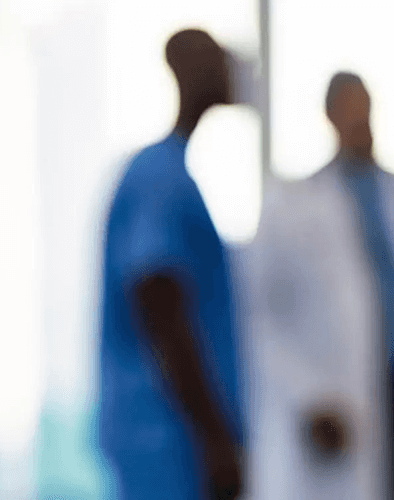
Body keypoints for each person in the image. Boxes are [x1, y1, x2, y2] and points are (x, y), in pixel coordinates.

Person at [245, 72, 394, 500]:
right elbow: (262, 315)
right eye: (348, 110)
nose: (359, 121)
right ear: (329, 116)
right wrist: (309, 397)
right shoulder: (293, 205)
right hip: (337, 392)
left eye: (364, 109)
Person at [98, 28, 246, 500]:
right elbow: (159, 305)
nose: (231, 69)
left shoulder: (173, 172)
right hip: (167, 441)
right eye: (217, 59)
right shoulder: (158, 177)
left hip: (173, 439)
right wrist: (215, 437)